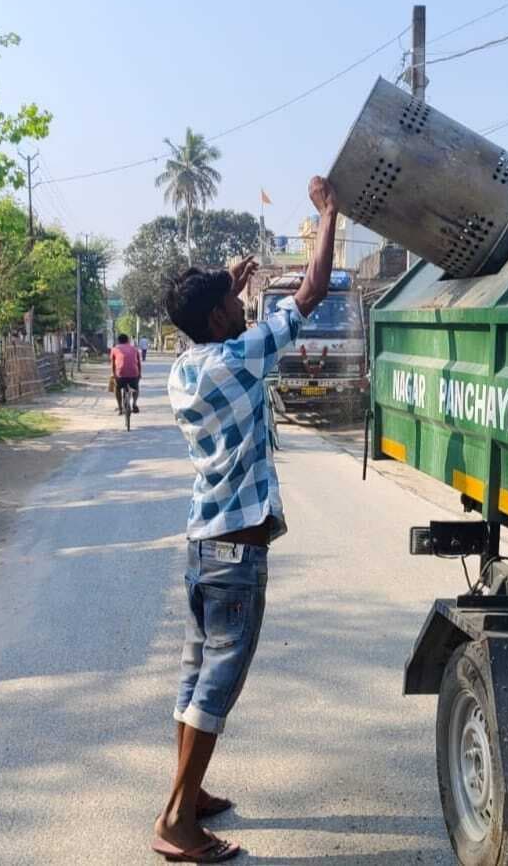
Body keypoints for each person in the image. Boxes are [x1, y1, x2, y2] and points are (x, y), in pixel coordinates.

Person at [152, 176, 338, 863]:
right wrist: (328, 216)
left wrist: (224, 284)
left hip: (203, 543)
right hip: (237, 550)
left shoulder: (186, 367)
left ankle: (187, 792)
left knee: (195, 672)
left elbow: (206, 312)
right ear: (224, 321)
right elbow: (310, 294)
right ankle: (177, 820)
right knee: (221, 680)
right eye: (233, 300)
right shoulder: (243, 357)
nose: (240, 300)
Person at [110, 333, 142, 414]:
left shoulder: (114, 349)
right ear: (128, 340)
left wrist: (114, 375)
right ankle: (134, 404)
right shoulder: (134, 349)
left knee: (117, 388)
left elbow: (113, 364)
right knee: (136, 387)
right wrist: (139, 374)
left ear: (118, 341)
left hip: (120, 375)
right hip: (133, 374)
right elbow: (138, 364)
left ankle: (120, 408)